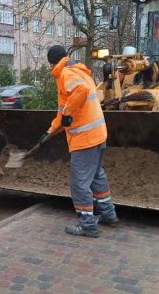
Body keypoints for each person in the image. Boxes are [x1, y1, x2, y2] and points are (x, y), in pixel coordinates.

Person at [41, 45, 118, 238]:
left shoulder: (66, 74)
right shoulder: (79, 71)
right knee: (96, 175)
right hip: (99, 134)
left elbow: (79, 94)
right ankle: (107, 213)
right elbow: (63, 110)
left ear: (52, 63)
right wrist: (50, 131)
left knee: (79, 183)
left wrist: (68, 113)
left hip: (85, 138)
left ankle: (87, 225)